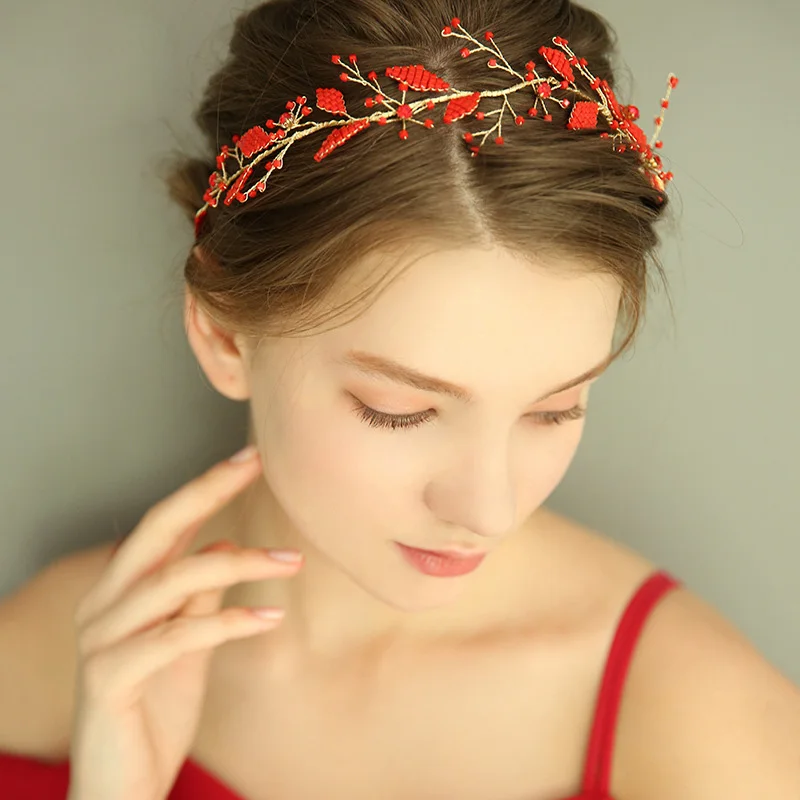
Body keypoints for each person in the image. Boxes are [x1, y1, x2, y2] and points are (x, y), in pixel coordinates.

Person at [1, 0, 799, 798]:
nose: (488, 509)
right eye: (399, 410)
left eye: (554, 409)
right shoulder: (53, 658)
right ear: (224, 334)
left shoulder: (710, 729)